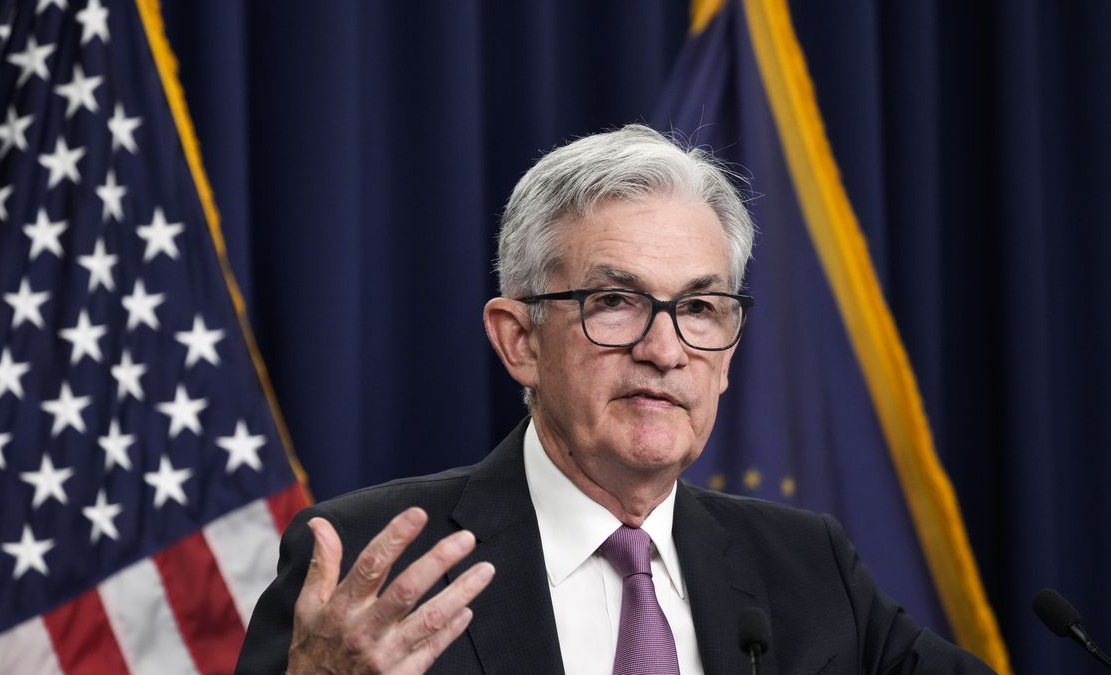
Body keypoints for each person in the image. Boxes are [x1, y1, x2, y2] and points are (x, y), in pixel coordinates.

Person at [235, 125, 994, 674]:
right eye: (615, 301)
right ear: (519, 340)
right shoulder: (375, 564)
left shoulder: (805, 565)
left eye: (700, 309)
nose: (664, 350)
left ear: (728, 353)